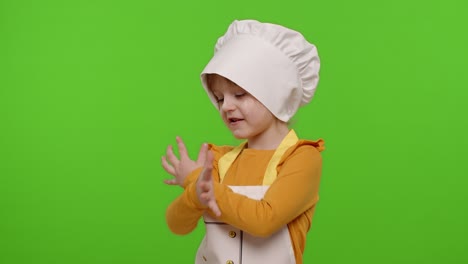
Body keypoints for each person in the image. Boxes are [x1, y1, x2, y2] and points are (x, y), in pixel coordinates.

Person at [162, 19, 324, 264]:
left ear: (276, 94)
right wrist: (194, 193)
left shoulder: (302, 158)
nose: (226, 106)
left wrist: (202, 184)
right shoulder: (217, 160)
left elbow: (264, 220)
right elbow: (177, 225)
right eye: (219, 98)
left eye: (239, 94)